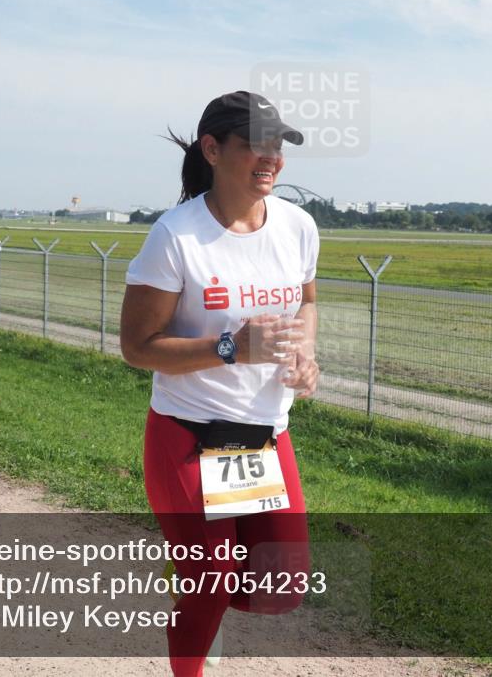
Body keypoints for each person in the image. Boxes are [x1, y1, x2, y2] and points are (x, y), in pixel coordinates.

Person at [120, 91, 320, 677]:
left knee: (279, 588)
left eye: (278, 145)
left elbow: (307, 301)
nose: (272, 157)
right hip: (189, 434)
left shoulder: (298, 226)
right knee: (212, 579)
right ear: (212, 149)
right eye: (257, 144)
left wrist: (305, 353)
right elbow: (137, 347)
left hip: (264, 438)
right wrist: (230, 347)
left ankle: (194, 572)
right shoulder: (176, 236)